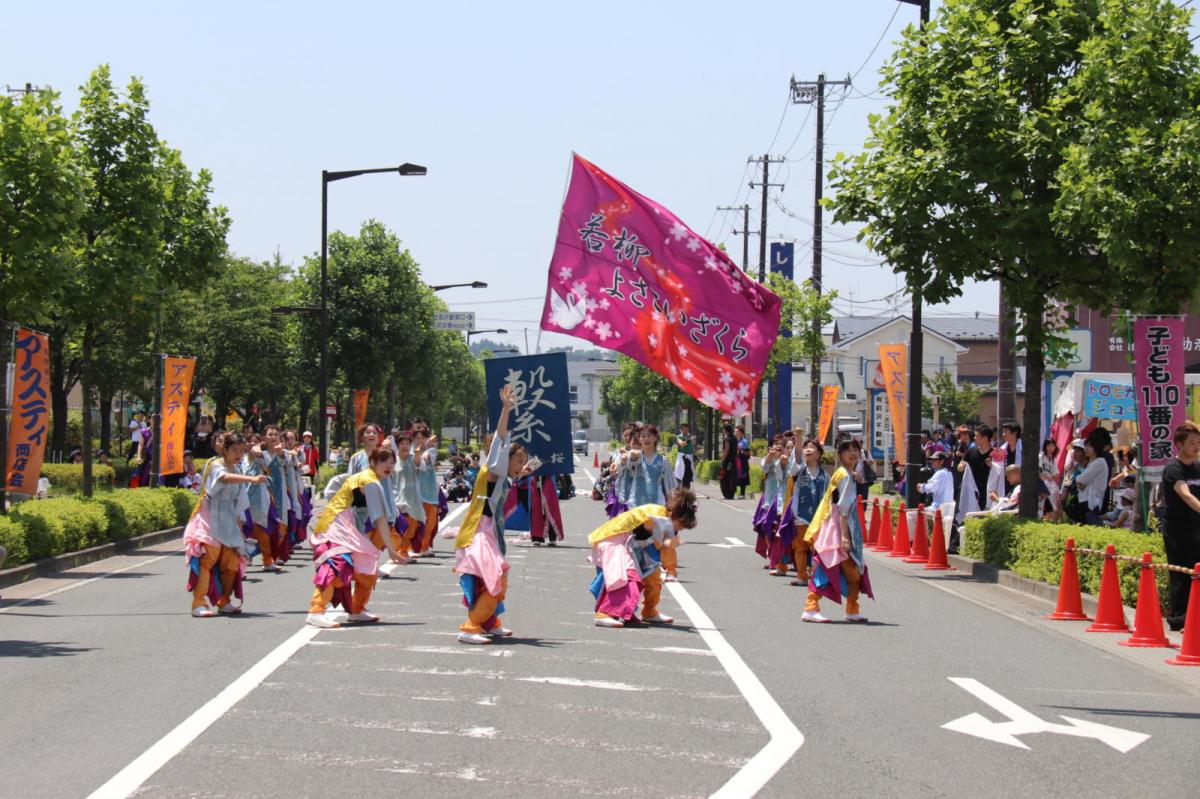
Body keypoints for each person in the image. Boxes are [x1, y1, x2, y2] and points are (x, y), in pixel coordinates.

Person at [448, 384, 532, 644]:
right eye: (518, 461)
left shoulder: (502, 477)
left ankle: (490, 620)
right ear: (505, 458)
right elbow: (501, 438)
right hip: (480, 531)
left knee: (492, 577)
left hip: (489, 531)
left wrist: (519, 474)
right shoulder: (494, 469)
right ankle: (471, 626)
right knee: (497, 574)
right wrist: (506, 409)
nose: (521, 466)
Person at [305, 446, 404, 628]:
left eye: (392, 462)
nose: (389, 466)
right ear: (373, 462)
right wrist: (391, 550)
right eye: (384, 461)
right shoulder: (371, 482)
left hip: (344, 524)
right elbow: (380, 519)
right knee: (336, 565)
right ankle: (316, 610)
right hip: (336, 524)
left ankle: (357, 609)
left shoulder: (369, 478)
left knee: (366, 564)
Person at [183, 432, 267, 617]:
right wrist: (251, 479)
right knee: (207, 560)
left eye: (241, 451)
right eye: (235, 450)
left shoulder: (236, 469)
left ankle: (224, 600)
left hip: (229, 519)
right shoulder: (216, 465)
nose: (238, 454)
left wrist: (239, 525)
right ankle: (199, 602)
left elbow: (239, 500)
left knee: (231, 563)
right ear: (225, 450)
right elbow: (223, 478)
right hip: (210, 517)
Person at [588, 488, 698, 628]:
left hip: (631, 544)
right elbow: (665, 547)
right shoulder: (659, 517)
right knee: (624, 577)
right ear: (673, 514)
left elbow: (664, 547)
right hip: (614, 540)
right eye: (681, 524)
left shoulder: (667, 521)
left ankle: (649, 612)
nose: (680, 529)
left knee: (653, 577)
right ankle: (604, 613)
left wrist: (670, 567)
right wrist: (671, 568)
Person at [801, 440, 874, 623]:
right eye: (847, 450)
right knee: (830, 566)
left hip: (840, 524)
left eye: (855, 449)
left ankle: (852, 609)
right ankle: (811, 608)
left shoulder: (846, 474)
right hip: (839, 527)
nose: (852, 453)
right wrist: (844, 536)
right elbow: (842, 508)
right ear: (840, 455)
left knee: (853, 570)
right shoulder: (845, 475)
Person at [1161, 421, 1200, 632]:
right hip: (1178, 531)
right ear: (1180, 444)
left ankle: (1194, 618)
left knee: (1197, 573)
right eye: (1192, 443)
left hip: (1197, 529)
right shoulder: (1173, 468)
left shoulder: (1198, 467)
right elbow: (1185, 494)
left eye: (1199, 443)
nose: (1197, 447)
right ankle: (1179, 620)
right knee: (1182, 575)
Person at [628, 424, 680, 580]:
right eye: (643, 436)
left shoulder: (663, 461)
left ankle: (670, 569)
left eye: (649, 435)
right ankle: (638, 568)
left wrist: (672, 505)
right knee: (636, 539)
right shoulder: (635, 459)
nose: (646, 439)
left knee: (665, 537)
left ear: (655, 438)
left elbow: (671, 486)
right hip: (637, 505)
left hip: (657, 506)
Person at [787, 436, 828, 586]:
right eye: (806, 447)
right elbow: (794, 463)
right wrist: (798, 440)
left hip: (818, 518)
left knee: (817, 548)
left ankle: (817, 575)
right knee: (800, 547)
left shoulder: (825, 476)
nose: (808, 449)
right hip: (801, 515)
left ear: (819, 454)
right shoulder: (798, 470)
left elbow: (828, 497)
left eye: (812, 447)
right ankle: (801, 575)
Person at [754, 436, 788, 573]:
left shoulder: (787, 461)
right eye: (776, 444)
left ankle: (779, 561)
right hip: (769, 499)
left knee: (778, 531)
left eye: (781, 445)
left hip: (782, 501)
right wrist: (771, 455)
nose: (778, 447)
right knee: (766, 529)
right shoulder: (769, 459)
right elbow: (764, 468)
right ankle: (772, 558)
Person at [414, 425, 442, 556]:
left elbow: (423, 462)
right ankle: (409, 547)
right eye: (417, 438)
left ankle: (424, 546)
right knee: (415, 522)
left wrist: (425, 449)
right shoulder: (410, 452)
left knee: (431, 522)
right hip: (415, 492)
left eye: (422, 438)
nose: (419, 440)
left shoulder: (431, 451)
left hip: (430, 492)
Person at [1039, 438, 1062, 520]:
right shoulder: (1041, 456)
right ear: (1045, 446)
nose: (1051, 448)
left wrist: (1050, 477)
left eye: (1053, 446)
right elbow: (1039, 471)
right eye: (1049, 445)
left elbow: (1056, 474)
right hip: (1042, 486)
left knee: (1052, 506)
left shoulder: (1052, 459)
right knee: (1042, 506)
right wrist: (1045, 477)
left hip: (1050, 487)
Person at [673, 423, 695, 489]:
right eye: (685, 430)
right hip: (682, 459)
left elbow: (692, 448)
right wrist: (690, 440)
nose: (687, 431)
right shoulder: (678, 437)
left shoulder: (689, 437)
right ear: (681, 430)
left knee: (688, 477)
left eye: (688, 429)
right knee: (679, 476)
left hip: (688, 459)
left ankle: (686, 494)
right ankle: (676, 493)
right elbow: (681, 444)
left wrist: (695, 455)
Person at [719, 423, 738, 500]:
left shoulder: (727, 439)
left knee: (724, 477)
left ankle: (726, 494)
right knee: (732, 477)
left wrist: (722, 460)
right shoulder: (735, 439)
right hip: (733, 461)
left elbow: (726, 450)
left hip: (727, 462)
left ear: (725, 430)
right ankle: (731, 494)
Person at [735, 425, 751, 499]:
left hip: (742, 461)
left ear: (741, 433)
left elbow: (748, 453)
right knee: (738, 477)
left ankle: (742, 493)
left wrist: (741, 450)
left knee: (743, 477)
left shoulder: (744, 441)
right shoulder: (737, 440)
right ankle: (738, 493)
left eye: (737, 431)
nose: (736, 432)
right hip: (737, 461)